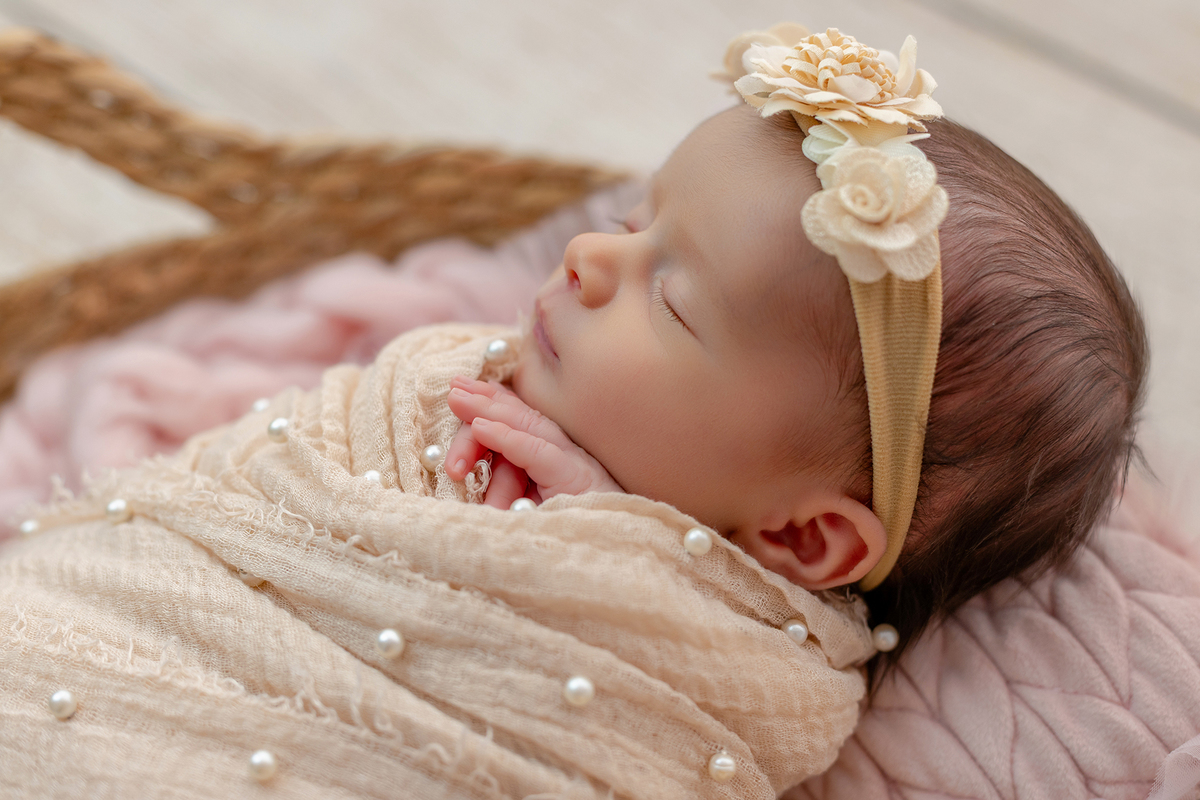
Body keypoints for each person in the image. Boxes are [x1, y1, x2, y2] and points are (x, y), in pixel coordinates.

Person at [444, 24, 1148, 672]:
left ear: (803, 539)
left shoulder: (749, 672)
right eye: (631, 221)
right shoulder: (500, 354)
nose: (586, 253)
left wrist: (608, 543)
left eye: (674, 305)